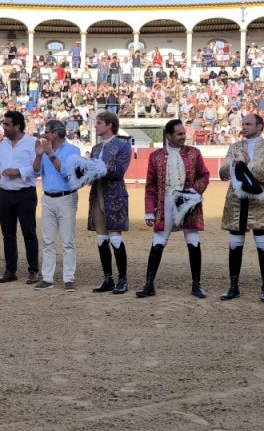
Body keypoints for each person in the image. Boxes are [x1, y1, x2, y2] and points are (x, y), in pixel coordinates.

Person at [137, 119, 210, 298]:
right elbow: (151, 186)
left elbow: (204, 175)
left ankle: (196, 285)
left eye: (184, 133)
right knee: (158, 241)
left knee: (193, 240)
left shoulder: (194, 153)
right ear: (169, 136)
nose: (183, 136)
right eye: (179, 134)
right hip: (166, 203)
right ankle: (149, 284)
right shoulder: (156, 156)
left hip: (187, 201)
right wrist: (149, 210)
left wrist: (193, 192)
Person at [217, 112, 264, 303]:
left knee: (262, 241)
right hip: (237, 199)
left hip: (260, 200)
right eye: (243, 124)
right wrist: (233, 165)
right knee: (235, 241)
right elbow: (222, 174)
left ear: (259, 127)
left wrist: (249, 164)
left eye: (248, 124)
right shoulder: (234, 147)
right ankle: (233, 286)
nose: (243, 127)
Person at [0, 110, 39, 284]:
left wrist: (18, 172)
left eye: (7, 124)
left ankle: (33, 270)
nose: (4, 127)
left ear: (17, 126)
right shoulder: (3, 144)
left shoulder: (32, 143)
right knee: (8, 234)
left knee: (29, 233)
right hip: (5, 193)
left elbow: (37, 169)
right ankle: (10, 270)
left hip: (25, 193)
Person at [32, 119, 81, 291]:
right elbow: (36, 171)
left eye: (47, 132)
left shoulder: (73, 151)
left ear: (56, 133)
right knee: (48, 241)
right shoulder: (44, 150)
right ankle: (47, 278)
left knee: (68, 241)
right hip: (48, 197)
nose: (44, 135)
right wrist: (39, 155)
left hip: (66, 197)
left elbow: (67, 172)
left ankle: (69, 278)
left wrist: (51, 154)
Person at [87, 111, 132, 294]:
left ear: (109, 125)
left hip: (114, 195)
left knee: (115, 237)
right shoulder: (96, 148)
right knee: (101, 238)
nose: (95, 126)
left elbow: (119, 171)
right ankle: (108, 279)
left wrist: (97, 167)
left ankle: (123, 279)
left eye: (99, 123)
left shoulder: (123, 146)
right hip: (97, 194)